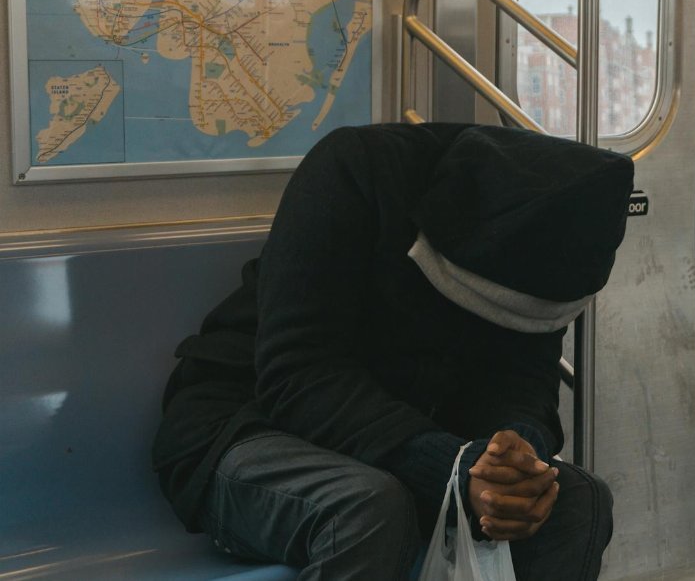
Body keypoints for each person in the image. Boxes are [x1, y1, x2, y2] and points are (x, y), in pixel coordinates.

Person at [152, 122, 634, 580]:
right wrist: (454, 467)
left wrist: (517, 454)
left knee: (578, 500)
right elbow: (297, 376)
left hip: (408, 441)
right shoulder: (354, 169)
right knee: (370, 506)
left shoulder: (556, 237)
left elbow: (522, 377)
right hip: (243, 428)